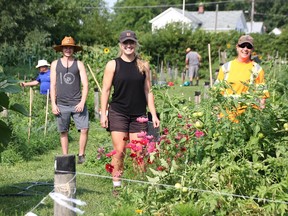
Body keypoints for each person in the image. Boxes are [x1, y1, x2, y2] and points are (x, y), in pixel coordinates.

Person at [100, 30, 160, 193]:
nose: (128, 45)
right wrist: (103, 112)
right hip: (118, 113)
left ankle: (139, 187)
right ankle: (117, 187)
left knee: (138, 151)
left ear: (135, 44)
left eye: (131, 42)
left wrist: (153, 114)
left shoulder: (143, 65)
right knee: (119, 151)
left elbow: (148, 91)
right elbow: (105, 90)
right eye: (125, 43)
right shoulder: (113, 65)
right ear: (120, 45)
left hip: (138, 115)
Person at [50, 36, 89, 164]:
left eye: (70, 47)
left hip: (77, 102)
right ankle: (65, 156)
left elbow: (85, 84)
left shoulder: (79, 64)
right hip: (61, 103)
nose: (68, 50)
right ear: (62, 49)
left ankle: (81, 154)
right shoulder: (55, 64)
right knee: (63, 131)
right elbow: (53, 85)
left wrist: (82, 102)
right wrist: (53, 104)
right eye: (65, 47)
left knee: (84, 129)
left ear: (74, 49)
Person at [214, 35, 269, 121]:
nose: (245, 49)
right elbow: (217, 93)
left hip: (248, 118)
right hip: (227, 118)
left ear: (252, 50)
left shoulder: (257, 69)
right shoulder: (226, 67)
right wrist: (216, 113)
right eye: (242, 46)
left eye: (249, 46)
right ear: (237, 47)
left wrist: (261, 116)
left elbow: (262, 95)